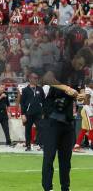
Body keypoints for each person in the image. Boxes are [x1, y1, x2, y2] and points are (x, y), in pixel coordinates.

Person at [40, 50, 90, 191]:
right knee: (49, 157)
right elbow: (46, 79)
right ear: (75, 57)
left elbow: (82, 95)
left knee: (66, 161)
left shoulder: (80, 74)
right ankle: (48, 188)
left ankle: (65, 188)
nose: (80, 67)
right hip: (52, 119)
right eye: (79, 64)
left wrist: (80, 96)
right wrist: (66, 88)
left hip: (68, 121)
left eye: (83, 66)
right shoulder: (62, 66)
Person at [20, 73, 44, 151]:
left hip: (38, 113)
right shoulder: (25, 90)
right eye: (35, 78)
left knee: (41, 128)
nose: (36, 79)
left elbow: (43, 101)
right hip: (28, 113)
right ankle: (28, 145)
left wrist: (43, 112)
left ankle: (40, 144)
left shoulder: (40, 89)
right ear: (30, 79)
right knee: (28, 129)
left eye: (37, 78)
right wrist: (23, 114)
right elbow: (22, 103)